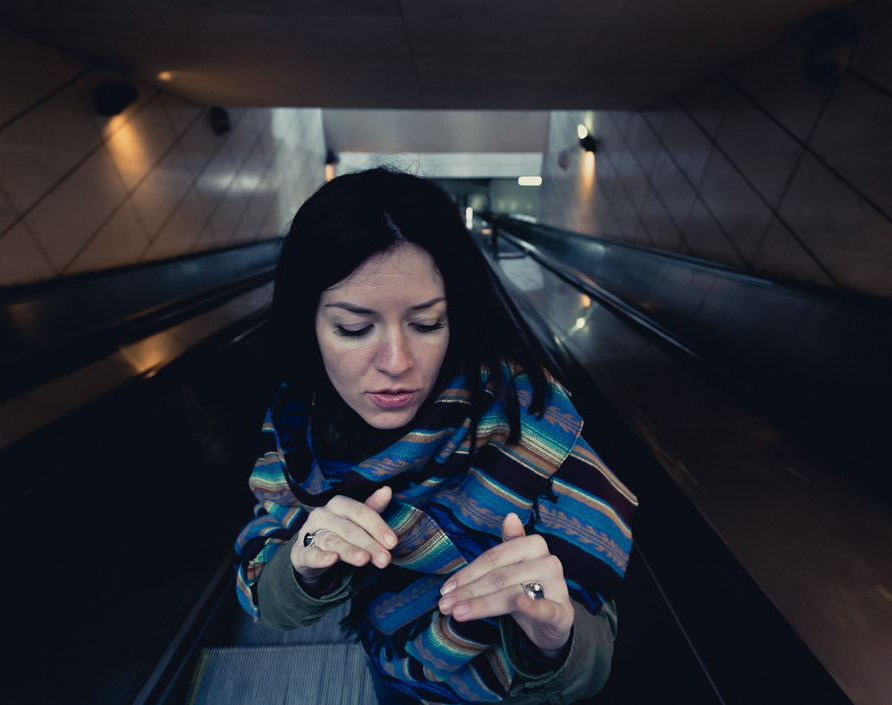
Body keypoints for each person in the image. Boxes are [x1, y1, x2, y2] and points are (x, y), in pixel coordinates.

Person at [234, 168, 637, 704]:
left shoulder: (530, 423)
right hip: (396, 682)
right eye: (354, 329)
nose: (398, 363)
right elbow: (269, 589)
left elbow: (593, 659)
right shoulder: (299, 434)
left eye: (427, 324)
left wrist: (551, 639)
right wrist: (305, 565)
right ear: (308, 324)